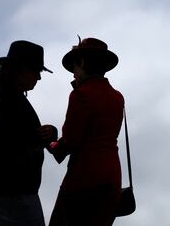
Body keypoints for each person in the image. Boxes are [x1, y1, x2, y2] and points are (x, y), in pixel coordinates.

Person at [0, 40, 58, 225]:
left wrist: (49, 133)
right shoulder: (9, 99)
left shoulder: (10, 97)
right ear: (19, 70)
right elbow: (6, 134)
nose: (38, 78)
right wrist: (41, 136)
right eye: (35, 71)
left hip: (6, 187)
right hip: (15, 188)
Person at [48, 37, 125, 226]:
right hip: (112, 179)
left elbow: (70, 142)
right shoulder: (117, 96)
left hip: (84, 181)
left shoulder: (81, 94)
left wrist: (50, 142)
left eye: (74, 66)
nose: (73, 73)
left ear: (82, 62)